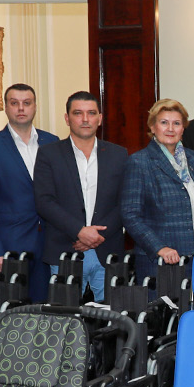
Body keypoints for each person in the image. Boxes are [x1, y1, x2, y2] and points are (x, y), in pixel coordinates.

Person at [34, 92, 129, 300]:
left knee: (110, 323)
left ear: (100, 118)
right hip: (64, 250)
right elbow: (44, 201)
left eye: (91, 113)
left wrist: (95, 236)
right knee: (65, 321)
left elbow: (126, 202)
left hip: (107, 249)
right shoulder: (48, 154)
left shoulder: (119, 154)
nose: (85, 119)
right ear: (67, 118)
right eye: (78, 113)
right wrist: (79, 231)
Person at [0, 82, 58, 301]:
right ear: (6, 107)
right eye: (15, 103)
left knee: (46, 310)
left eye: (27, 103)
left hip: (48, 244)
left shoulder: (52, 142)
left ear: (35, 107)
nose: (21, 108)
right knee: (13, 314)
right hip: (10, 245)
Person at [123, 98, 194, 289]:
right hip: (162, 262)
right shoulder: (140, 162)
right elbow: (130, 215)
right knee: (165, 319)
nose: (170, 128)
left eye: (176, 123)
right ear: (153, 127)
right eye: (164, 122)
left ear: (183, 128)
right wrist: (159, 248)